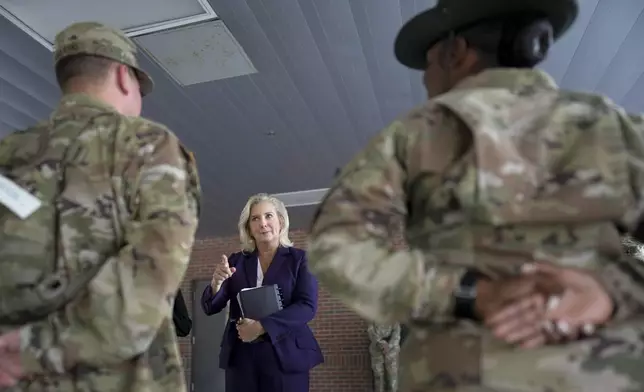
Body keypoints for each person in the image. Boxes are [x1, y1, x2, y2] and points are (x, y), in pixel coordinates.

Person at [307, 0, 644, 390]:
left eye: (429, 64)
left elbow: (335, 245)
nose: (426, 80)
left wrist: (468, 293)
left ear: (457, 51)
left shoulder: (417, 134)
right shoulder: (612, 128)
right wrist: (610, 290)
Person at [0, 22, 201, 390]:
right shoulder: (148, 146)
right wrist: (33, 349)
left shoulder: (9, 153)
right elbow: (150, 275)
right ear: (125, 77)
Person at [201, 193, 323, 392]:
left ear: (280, 222)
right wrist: (216, 284)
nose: (262, 223)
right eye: (255, 218)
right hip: (242, 359)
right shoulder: (236, 262)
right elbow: (211, 306)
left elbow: (306, 307)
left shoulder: (300, 260)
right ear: (248, 227)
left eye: (268, 216)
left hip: (286, 355)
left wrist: (261, 327)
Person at [367, 322, 401, 392]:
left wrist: (389, 346)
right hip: (376, 349)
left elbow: (396, 331)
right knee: (378, 376)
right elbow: (370, 330)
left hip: (392, 350)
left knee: (392, 377)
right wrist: (379, 342)